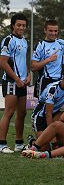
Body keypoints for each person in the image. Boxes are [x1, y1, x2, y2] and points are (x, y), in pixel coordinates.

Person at [0, 13, 31, 153]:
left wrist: (29, 75)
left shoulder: (25, 41)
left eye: (24, 25)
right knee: (9, 112)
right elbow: (2, 62)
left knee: (22, 113)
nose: (21, 27)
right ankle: (2, 144)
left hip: (22, 83)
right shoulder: (8, 40)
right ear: (13, 25)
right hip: (12, 81)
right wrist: (17, 79)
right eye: (19, 25)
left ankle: (19, 143)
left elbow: (23, 61)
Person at [31, 67, 64, 150]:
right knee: (45, 149)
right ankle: (32, 142)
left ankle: (63, 141)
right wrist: (52, 137)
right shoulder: (53, 89)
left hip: (54, 114)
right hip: (41, 116)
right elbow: (48, 113)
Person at [31, 20, 64, 98]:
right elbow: (33, 67)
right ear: (45, 30)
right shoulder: (40, 45)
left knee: (56, 108)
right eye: (50, 31)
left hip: (59, 80)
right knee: (44, 108)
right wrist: (48, 59)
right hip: (45, 81)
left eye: (55, 31)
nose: (53, 33)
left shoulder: (62, 43)